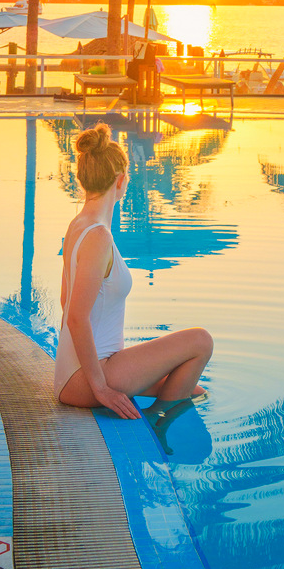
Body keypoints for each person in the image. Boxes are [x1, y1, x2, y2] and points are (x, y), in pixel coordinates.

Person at [54, 123, 212, 421]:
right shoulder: (98, 237)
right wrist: (100, 386)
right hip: (88, 378)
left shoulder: (78, 226)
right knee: (201, 341)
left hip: (76, 372)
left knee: (194, 388)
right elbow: (76, 316)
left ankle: (160, 421)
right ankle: (160, 427)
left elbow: (66, 302)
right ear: (121, 180)